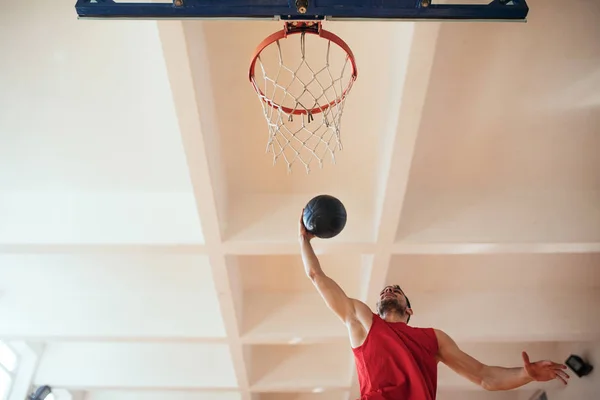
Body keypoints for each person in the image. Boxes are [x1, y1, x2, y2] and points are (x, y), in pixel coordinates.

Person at [298, 211, 570, 400]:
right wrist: (304, 241)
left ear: (409, 310)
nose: (390, 291)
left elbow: (485, 376)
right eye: (385, 291)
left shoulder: (433, 338)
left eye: (397, 291)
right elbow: (317, 276)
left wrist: (526, 374)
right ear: (378, 305)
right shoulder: (362, 321)